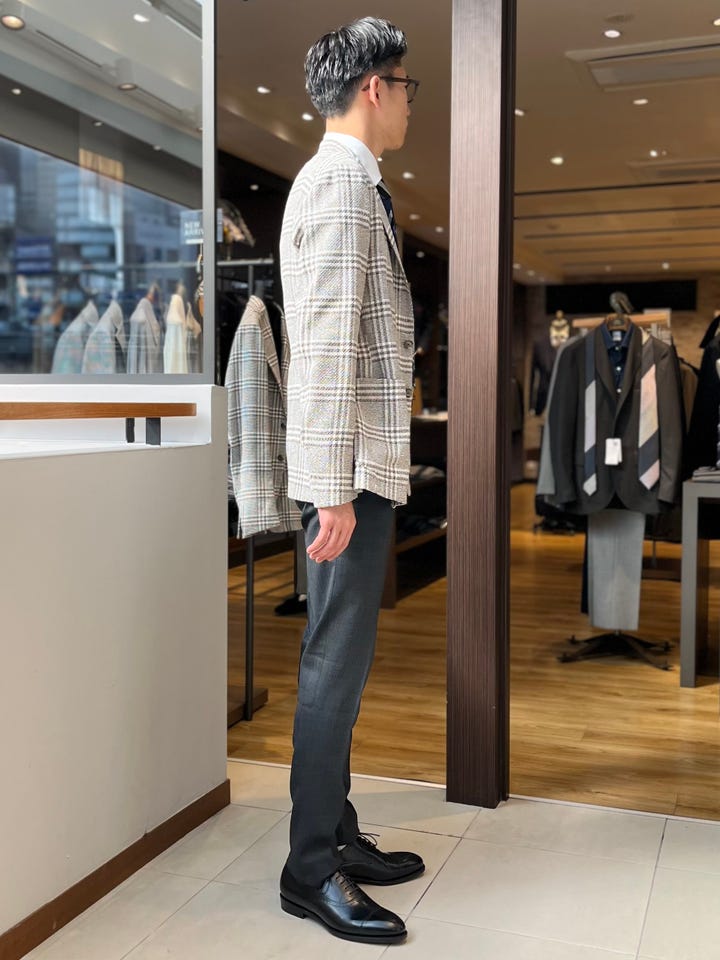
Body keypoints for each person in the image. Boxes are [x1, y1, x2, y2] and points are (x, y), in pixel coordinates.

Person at [278, 16, 423, 946]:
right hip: (349, 471)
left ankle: (335, 831)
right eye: (407, 86)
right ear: (375, 86)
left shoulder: (347, 181)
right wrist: (332, 486)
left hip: (356, 464)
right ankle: (309, 869)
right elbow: (328, 343)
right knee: (334, 658)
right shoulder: (339, 185)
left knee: (345, 654)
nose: (410, 103)